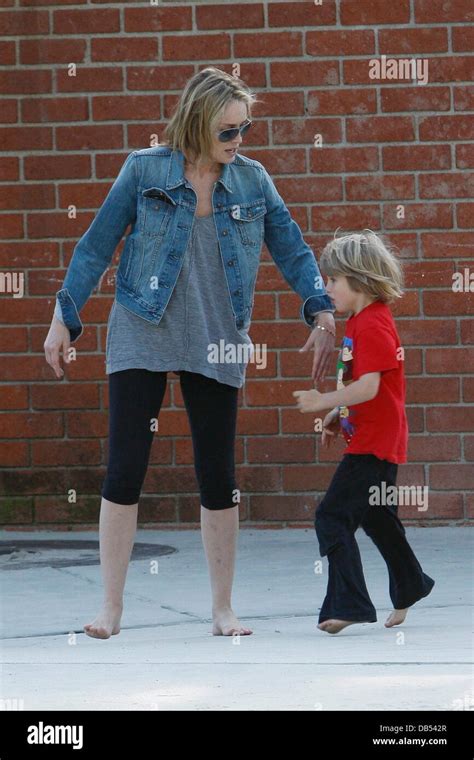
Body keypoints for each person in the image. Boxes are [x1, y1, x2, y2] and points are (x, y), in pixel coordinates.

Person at [43, 67, 336, 639]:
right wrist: (64, 317)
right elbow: (96, 244)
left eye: (244, 129)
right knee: (125, 470)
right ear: (198, 124)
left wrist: (320, 306)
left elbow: (292, 246)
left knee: (217, 473)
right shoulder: (144, 169)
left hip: (217, 330)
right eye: (229, 131)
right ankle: (111, 610)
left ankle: (223, 609)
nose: (239, 141)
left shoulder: (252, 181)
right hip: (141, 326)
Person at [293, 230, 435, 635]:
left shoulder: (373, 324)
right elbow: (365, 386)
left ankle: (350, 602)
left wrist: (322, 401)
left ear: (359, 279)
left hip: (374, 446)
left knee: (331, 516)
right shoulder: (361, 320)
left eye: (333, 280)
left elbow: (370, 386)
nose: (326, 287)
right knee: (378, 519)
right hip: (375, 440)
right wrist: (339, 412)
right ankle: (411, 585)